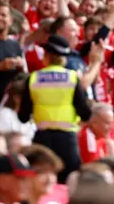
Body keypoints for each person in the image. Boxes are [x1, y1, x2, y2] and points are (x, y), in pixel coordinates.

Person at [18, 35, 92, 182]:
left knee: (41, 182)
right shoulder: (71, 78)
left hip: (42, 140)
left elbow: (23, 116)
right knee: (67, 184)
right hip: (67, 141)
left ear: (47, 55)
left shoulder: (33, 78)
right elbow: (85, 113)